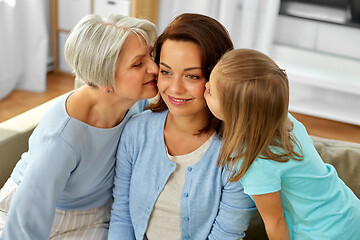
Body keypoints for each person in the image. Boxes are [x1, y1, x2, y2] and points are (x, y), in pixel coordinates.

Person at [0, 14, 158, 239]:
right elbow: (25, 222)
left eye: (151, 55)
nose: (154, 67)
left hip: (98, 215)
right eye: (138, 63)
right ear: (105, 79)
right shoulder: (62, 136)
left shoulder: (135, 99)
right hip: (37, 213)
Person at [108, 13, 256, 240]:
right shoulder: (136, 131)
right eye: (166, 72)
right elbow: (122, 217)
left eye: (192, 76)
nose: (175, 88)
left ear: (218, 78)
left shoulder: (237, 153)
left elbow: (226, 235)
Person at [204, 48, 360, 240]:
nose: (205, 86)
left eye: (211, 91)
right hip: (349, 211)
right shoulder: (287, 120)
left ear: (235, 113)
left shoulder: (254, 163)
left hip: (324, 234)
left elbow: (275, 223)